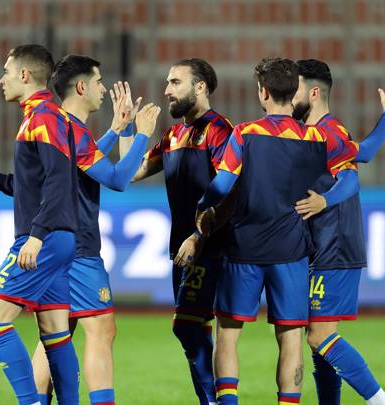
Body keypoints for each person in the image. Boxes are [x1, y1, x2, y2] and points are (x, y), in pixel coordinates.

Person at [0, 54, 160, 405]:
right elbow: (116, 178)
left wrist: (116, 130)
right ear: (81, 86)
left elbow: (71, 166)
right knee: (92, 330)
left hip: (58, 237)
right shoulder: (58, 122)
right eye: (98, 82)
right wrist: (140, 136)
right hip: (71, 242)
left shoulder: (56, 122)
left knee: (56, 333)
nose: (103, 89)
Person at [189, 57, 355, 405]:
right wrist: (325, 201)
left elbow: (222, 184)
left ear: (263, 92)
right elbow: (351, 178)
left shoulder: (246, 133)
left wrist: (203, 205)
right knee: (291, 340)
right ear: (295, 92)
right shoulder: (315, 136)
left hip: (244, 249)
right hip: (292, 252)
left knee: (229, 335)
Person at [0, 44, 81, 405]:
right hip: (57, 237)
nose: (2, 80)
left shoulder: (43, 116)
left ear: (25, 75)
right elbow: (39, 183)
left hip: (44, 237)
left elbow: (59, 181)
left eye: (7, 72)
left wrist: (36, 237)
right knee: (55, 333)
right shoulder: (41, 116)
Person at [290, 59, 385, 405]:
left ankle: (383, 402)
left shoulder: (330, 130)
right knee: (318, 339)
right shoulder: (315, 132)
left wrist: (325, 201)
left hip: (334, 245)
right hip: (318, 245)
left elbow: (351, 178)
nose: (288, 96)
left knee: (319, 337)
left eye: (293, 89)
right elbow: (365, 153)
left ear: (312, 91)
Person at [130, 58, 233, 405]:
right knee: (193, 328)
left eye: (175, 82)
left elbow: (231, 192)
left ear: (200, 87)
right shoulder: (173, 135)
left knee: (185, 325)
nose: (166, 91)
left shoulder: (219, 131)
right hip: (181, 250)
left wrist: (199, 236)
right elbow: (127, 172)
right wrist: (129, 130)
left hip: (211, 247)